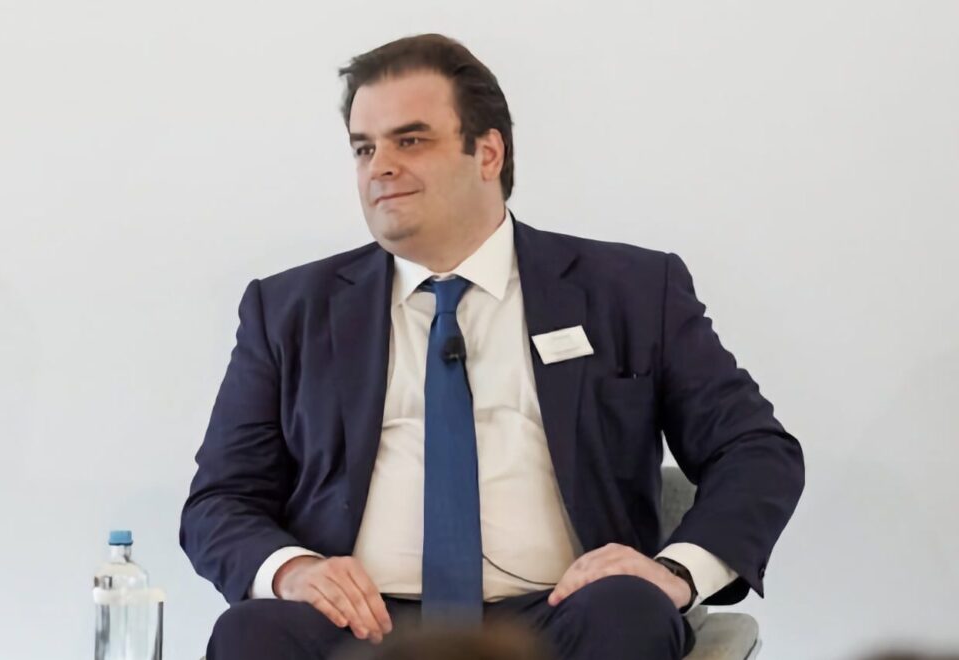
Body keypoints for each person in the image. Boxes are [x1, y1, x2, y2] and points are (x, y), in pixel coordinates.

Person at [180, 33, 805, 660]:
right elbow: (220, 499)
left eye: (410, 140)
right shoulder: (288, 310)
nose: (380, 167)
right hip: (362, 622)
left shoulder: (631, 291)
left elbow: (755, 450)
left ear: (487, 152)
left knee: (627, 612)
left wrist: (678, 572)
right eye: (364, 148)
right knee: (251, 633)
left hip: (562, 613)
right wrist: (291, 570)